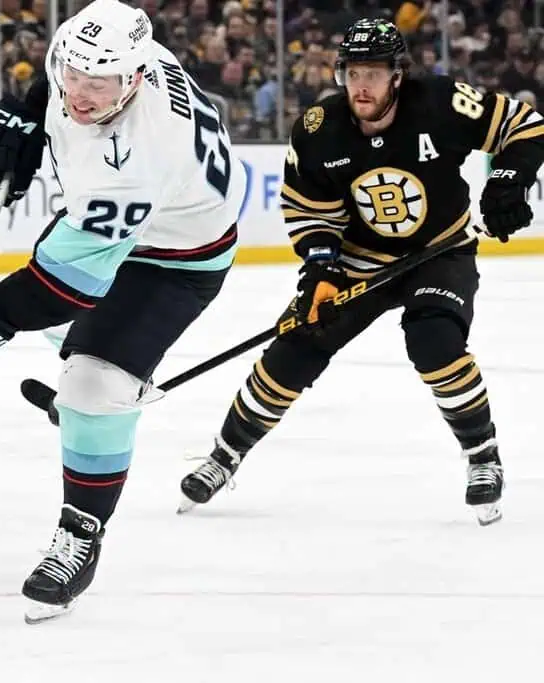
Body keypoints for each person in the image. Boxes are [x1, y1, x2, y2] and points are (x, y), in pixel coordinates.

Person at [0, 0, 246, 622]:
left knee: (94, 387)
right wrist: (26, 108)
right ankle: (96, 393)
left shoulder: (138, 156)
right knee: (75, 346)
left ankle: (81, 531)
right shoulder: (108, 49)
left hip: (177, 261)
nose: (81, 93)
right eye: (72, 74)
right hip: (140, 223)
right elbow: (65, 67)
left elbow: (61, 286)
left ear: (137, 79)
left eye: (100, 84)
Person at [179, 18, 544, 527]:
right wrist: (324, 266)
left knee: (435, 342)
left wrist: (507, 182)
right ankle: (224, 454)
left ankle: (482, 455)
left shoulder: (440, 103)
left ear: (398, 75)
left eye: (373, 73)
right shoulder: (317, 130)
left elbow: (524, 126)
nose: (361, 86)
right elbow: (308, 210)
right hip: (356, 262)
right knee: (295, 346)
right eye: (352, 73)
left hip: (439, 252)